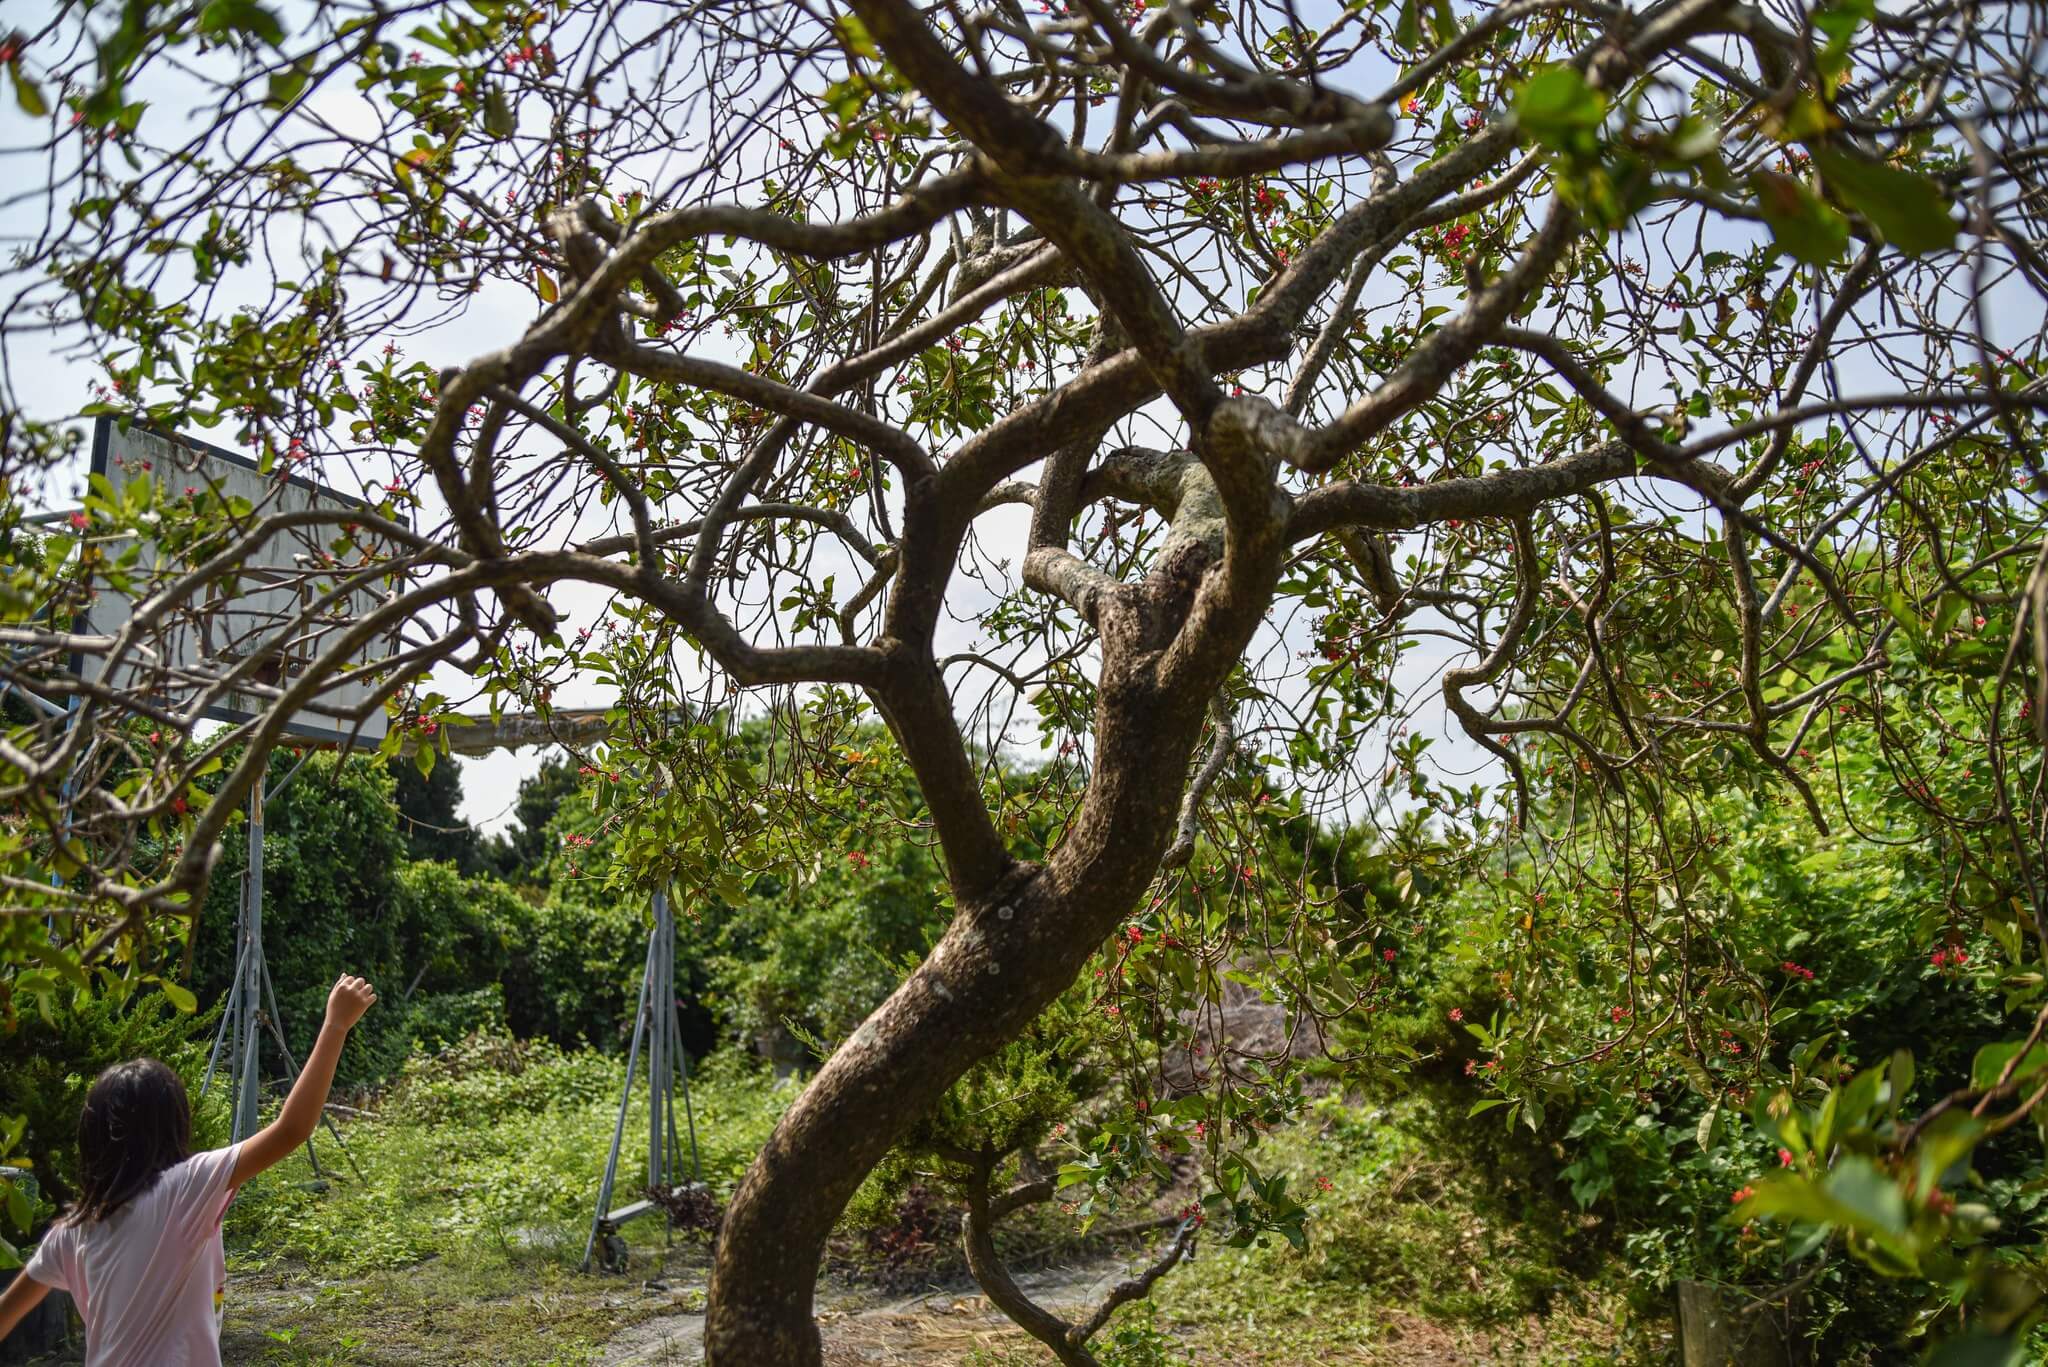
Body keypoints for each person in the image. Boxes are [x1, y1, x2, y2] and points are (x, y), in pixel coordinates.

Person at [0, 974, 376, 1365]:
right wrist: (335, 1026)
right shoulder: (185, 1189)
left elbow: (5, 1313)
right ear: (175, 1124)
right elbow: (292, 1130)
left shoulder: (72, 1230)